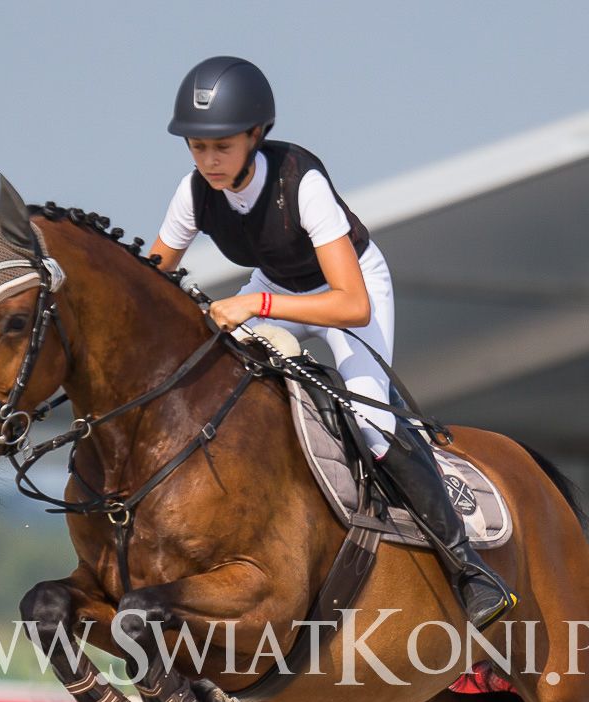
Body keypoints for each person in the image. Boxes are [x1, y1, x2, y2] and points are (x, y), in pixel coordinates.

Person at [150, 56, 516, 631]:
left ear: (255, 134)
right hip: (276, 286)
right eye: (197, 147)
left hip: (347, 290)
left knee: (373, 424)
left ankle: (468, 569)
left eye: (222, 146)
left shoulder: (302, 182)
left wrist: (255, 304)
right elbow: (152, 277)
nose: (209, 160)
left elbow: (351, 305)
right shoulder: (194, 192)